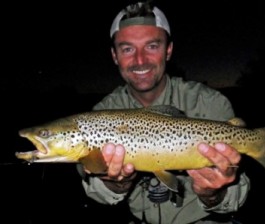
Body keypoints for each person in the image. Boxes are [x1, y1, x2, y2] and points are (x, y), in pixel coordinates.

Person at [77, 1, 250, 223]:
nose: (140, 60)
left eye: (152, 46)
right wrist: (115, 183)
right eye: (127, 48)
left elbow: (239, 194)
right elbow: (98, 193)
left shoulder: (209, 103)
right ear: (114, 55)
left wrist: (214, 193)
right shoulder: (100, 115)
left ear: (168, 50)